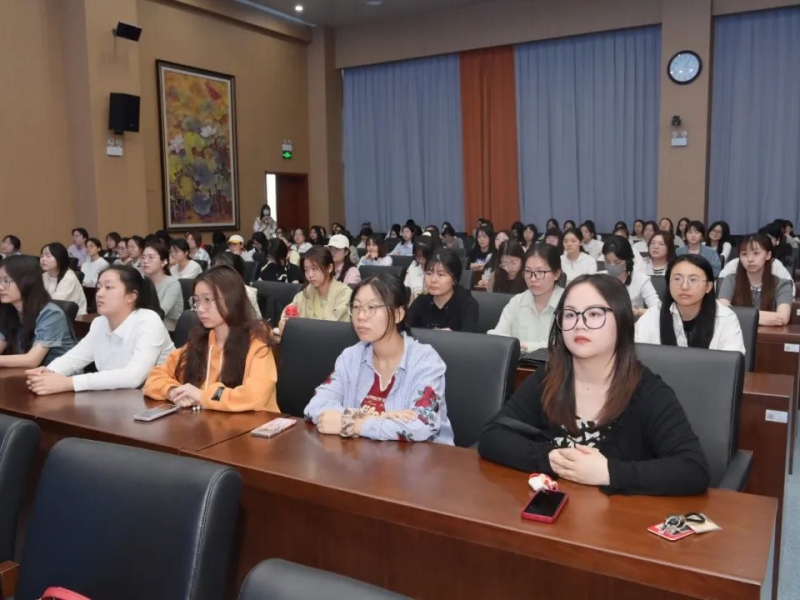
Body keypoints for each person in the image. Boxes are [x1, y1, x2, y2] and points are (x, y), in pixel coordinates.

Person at [478, 273, 710, 496]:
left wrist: (608, 472)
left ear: (621, 320)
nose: (579, 324)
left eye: (594, 314)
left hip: (618, 517)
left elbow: (692, 469)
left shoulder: (648, 392)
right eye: (570, 314)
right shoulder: (549, 378)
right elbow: (492, 436)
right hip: (556, 508)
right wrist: (552, 459)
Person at [304, 273, 454, 444]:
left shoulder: (426, 361)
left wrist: (352, 424)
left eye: (372, 307)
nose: (361, 316)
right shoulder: (351, 357)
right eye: (356, 307)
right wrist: (375, 417)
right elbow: (315, 406)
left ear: (398, 314)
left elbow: (422, 424)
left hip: (423, 457)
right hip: (363, 455)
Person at [144, 267, 277, 412]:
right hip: (208, 422)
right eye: (196, 301)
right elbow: (154, 378)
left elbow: (255, 397)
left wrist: (202, 396)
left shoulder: (257, 340)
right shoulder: (201, 339)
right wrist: (173, 391)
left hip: (255, 424)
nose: (200, 309)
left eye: (207, 300)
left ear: (231, 299)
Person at [25, 266, 174, 395]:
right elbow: (75, 357)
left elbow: (134, 377)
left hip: (156, 401)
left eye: (108, 288)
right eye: (98, 287)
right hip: (114, 398)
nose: (99, 294)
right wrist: (49, 372)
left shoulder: (148, 320)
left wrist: (69, 383)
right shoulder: (100, 323)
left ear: (131, 297)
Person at [635, 255, 745, 353]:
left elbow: (731, 363)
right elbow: (637, 355)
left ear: (708, 286)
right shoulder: (653, 316)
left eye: (693, 280)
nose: (684, 286)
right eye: (677, 279)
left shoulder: (726, 318)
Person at [0, 256, 76, 367]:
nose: (1, 287)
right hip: (26, 373)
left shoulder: (51, 314)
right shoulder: (9, 310)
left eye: (6, 281)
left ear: (27, 281)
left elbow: (32, 360)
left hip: (58, 374)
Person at [488, 244, 564, 353]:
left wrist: (522, 346)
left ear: (557, 274)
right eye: (528, 272)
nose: (533, 279)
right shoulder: (517, 301)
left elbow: (562, 344)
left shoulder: (569, 303)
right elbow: (498, 336)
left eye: (540, 272)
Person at [718, 233, 792, 327]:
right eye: (744, 254)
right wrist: (766, 317)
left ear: (768, 255)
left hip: (768, 335)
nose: (750, 259)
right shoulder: (731, 280)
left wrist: (736, 313)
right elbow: (723, 311)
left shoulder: (782, 284)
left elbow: (782, 318)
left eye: (756, 253)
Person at [407, 249, 479, 332]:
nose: (433, 280)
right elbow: (404, 329)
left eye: (440, 274)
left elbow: (469, 337)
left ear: (454, 279)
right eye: (429, 273)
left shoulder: (467, 304)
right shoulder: (422, 301)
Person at [281, 246, 352, 324]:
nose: (310, 275)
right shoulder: (307, 291)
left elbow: (330, 326)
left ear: (330, 268)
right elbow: (284, 319)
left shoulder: (344, 293)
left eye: (314, 269)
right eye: (306, 270)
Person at [600, 235, 660, 319]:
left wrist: (637, 311)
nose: (611, 266)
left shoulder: (640, 279)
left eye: (617, 262)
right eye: (607, 262)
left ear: (627, 261)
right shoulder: (599, 278)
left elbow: (658, 309)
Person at [141, 242, 182, 329]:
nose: (145, 261)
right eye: (143, 257)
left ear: (164, 262)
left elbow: (160, 313)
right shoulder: (141, 282)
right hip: (144, 325)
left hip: (167, 328)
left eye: (151, 257)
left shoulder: (173, 284)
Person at [40, 243, 87, 316]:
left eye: (48, 256)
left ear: (59, 258)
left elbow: (56, 303)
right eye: (42, 256)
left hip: (73, 318)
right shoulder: (44, 276)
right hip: (49, 314)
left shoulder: (69, 277)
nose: (43, 259)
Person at [211, 252, 262, 318]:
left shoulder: (247, 293)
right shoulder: (207, 289)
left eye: (223, 272)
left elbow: (256, 321)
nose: (218, 275)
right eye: (215, 271)